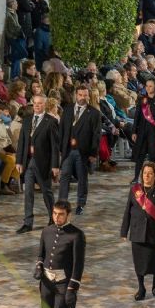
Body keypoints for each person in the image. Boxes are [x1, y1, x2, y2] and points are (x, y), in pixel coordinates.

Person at [33, 200, 85, 308]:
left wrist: (72, 288)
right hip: (46, 284)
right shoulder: (46, 231)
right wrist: (39, 266)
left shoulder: (77, 235)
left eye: (61, 214)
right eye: (54, 213)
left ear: (69, 215)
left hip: (63, 284)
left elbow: (78, 264)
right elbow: (40, 254)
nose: (56, 217)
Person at [120, 161, 155, 301]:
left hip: (153, 232)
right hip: (137, 231)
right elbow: (127, 212)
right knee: (138, 262)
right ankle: (141, 287)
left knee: (151, 259)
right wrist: (124, 231)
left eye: (150, 173)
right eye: (144, 173)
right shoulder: (134, 190)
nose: (147, 176)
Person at [15, 95, 60, 233]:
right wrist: (19, 161)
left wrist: (55, 165)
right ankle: (28, 222)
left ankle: (53, 219)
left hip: (43, 162)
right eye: (34, 103)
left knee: (47, 192)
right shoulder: (27, 120)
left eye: (39, 104)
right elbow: (22, 142)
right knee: (28, 192)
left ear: (44, 105)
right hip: (28, 162)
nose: (36, 106)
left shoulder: (51, 121)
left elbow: (54, 146)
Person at [58, 84, 101, 215]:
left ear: (88, 96)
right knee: (64, 175)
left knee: (82, 178)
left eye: (85, 95)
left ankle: (80, 204)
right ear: (76, 95)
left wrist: (93, 153)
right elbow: (62, 129)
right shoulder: (68, 109)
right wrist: (60, 148)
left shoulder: (94, 113)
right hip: (68, 150)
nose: (82, 97)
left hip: (84, 151)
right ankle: (62, 202)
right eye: (80, 95)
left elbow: (96, 134)